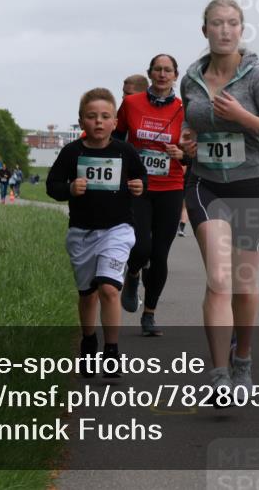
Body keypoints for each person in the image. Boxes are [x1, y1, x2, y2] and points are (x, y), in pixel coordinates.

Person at [179, 0, 259, 404]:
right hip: (206, 184)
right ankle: (219, 374)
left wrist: (244, 118)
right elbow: (191, 124)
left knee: (243, 284)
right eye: (216, 23)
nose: (224, 30)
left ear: (241, 30)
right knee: (219, 280)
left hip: (254, 186)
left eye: (232, 23)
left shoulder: (258, 78)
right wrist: (189, 140)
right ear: (204, 30)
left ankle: (242, 358)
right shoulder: (191, 79)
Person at [47, 88, 147, 379]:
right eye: (92, 117)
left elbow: (142, 178)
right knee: (88, 294)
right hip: (81, 233)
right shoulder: (72, 152)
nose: (99, 122)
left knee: (108, 289)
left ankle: (112, 351)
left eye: (105, 117)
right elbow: (52, 185)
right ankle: (89, 343)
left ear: (115, 122)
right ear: (81, 122)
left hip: (117, 230)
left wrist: (140, 186)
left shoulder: (124, 151)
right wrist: (69, 189)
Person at [116, 54, 187, 336]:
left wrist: (182, 153)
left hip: (171, 186)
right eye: (157, 69)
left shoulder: (185, 109)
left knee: (160, 254)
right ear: (150, 74)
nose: (161, 74)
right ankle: (132, 274)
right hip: (139, 186)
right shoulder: (131, 104)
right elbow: (117, 139)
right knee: (141, 246)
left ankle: (150, 315)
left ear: (175, 76)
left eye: (167, 70)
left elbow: (193, 150)